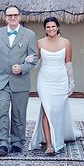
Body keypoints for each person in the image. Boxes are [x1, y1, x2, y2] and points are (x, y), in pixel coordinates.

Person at [0, 5, 38, 156]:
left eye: (15, 15)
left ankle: (17, 142)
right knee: (2, 111)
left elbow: (34, 58)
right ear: (5, 18)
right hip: (1, 80)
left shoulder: (29, 35)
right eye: (9, 15)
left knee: (18, 113)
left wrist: (22, 67)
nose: (13, 18)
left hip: (20, 80)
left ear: (20, 17)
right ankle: (2, 143)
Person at [29, 17, 76, 154]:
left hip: (60, 80)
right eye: (48, 27)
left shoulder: (66, 42)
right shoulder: (39, 43)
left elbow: (68, 63)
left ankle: (58, 136)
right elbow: (36, 62)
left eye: (53, 26)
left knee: (56, 111)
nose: (51, 29)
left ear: (58, 27)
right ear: (45, 29)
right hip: (45, 80)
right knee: (47, 109)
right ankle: (49, 144)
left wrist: (71, 83)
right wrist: (29, 60)